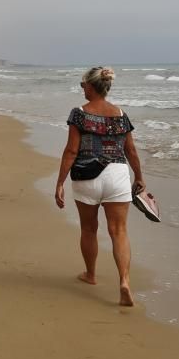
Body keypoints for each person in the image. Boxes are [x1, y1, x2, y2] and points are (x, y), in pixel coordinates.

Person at [56, 66, 144, 306]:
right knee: (119, 231)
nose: (81, 88)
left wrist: (60, 183)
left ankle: (91, 275)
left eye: (83, 84)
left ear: (92, 86)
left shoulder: (79, 114)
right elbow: (131, 151)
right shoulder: (120, 114)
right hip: (117, 175)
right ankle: (124, 281)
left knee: (89, 229)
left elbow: (72, 150)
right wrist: (139, 176)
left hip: (87, 177)